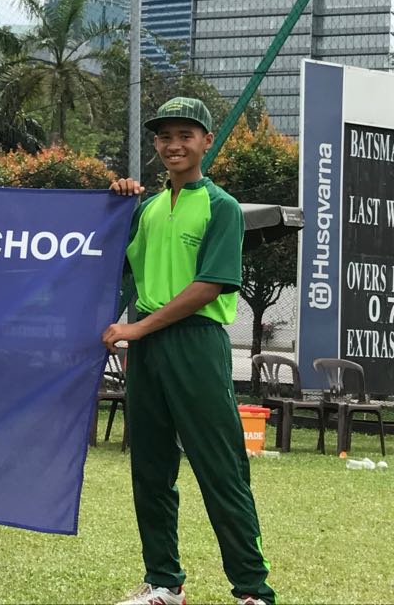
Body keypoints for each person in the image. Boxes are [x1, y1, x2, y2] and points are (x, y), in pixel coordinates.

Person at [102, 97, 275, 605]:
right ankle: (164, 584)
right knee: (150, 469)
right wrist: (117, 202)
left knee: (221, 469)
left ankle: (253, 592)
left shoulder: (221, 207)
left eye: (185, 135)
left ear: (206, 141)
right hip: (147, 350)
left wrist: (138, 328)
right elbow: (107, 258)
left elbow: (209, 286)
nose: (173, 145)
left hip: (196, 343)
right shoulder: (146, 209)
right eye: (164, 137)